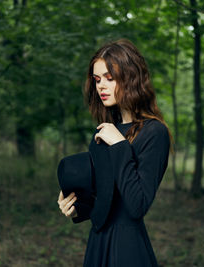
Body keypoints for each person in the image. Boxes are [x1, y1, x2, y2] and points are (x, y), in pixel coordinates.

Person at [57, 39, 172, 267]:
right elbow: (104, 201)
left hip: (127, 248)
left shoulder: (154, 132)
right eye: (97, 79)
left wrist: (120, 147)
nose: (101, 86)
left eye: (110, 78)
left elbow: (137, 205)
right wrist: (76, 206)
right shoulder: (104, 130)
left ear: (131, 78)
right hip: (98, 243)